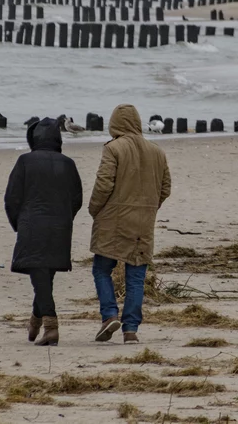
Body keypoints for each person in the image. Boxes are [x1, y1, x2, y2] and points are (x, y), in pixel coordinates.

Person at [90, 104, 171, 345]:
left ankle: (109, 315)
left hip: (113, 219)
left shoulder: (113, 149)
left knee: (102, 269)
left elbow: (104, 184)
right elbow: (165, 188)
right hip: (143, 222)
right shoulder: (157, 151)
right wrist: (149, 208)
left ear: (114, 124)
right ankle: (131, 330)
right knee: (136, 276)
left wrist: (95, 209)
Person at [4, 118, 83, 347]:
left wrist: (19, 223)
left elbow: (11, 198)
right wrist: (65, 218)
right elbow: (76, 198)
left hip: (32, 224)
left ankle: (51, 326)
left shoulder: (25, 161)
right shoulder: (68, 164)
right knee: (44, 275)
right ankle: (36, 321)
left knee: (40, 272)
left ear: (35, 138)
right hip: (60, 225)